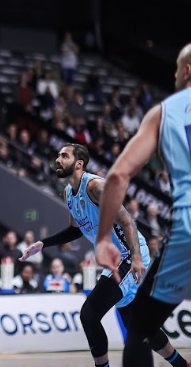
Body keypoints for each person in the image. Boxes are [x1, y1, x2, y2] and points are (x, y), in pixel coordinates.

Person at [21, 144, 186, 367]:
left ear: (79, 163)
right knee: (136, 324)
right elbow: (76, 229)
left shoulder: (96, 187)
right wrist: (43, 243)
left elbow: (128, 221)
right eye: (58, 155)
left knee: (89, 314)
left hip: (129, 254)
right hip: (115, 260)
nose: (58, 159)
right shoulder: (68, 193)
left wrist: (136, 258)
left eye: (64, 156)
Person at [96, 44, 191, 367]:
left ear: (187, 71)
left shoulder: (165, 113)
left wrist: (104, 238)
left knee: (139, 326)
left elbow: (118, 175)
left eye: (177, 68)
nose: (175, 75)